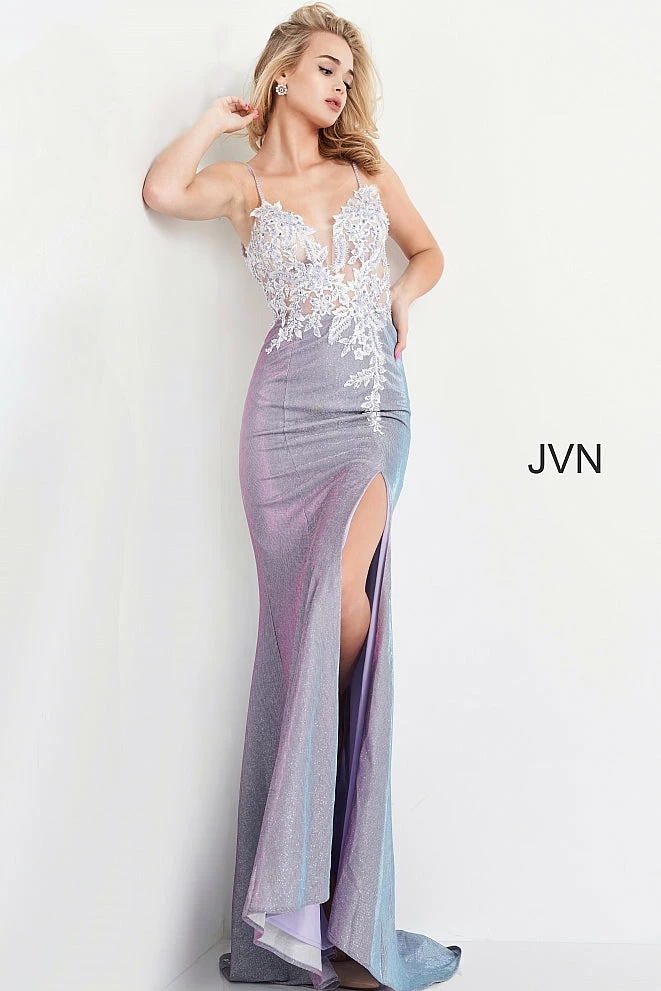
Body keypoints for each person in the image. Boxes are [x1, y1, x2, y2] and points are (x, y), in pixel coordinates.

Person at [142, 4, 461, 990]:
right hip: (279, 425)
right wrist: (213, 118)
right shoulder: (242, 185)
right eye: (325, 68)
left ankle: (328, 899)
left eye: (347, 77)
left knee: (343, 603)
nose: (338, 86)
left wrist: (403, 294)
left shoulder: (365, 173)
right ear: (282, 72)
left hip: (368, 408)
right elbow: (161, 191)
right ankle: (314, 912)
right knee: (300, 633)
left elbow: (430, 252)